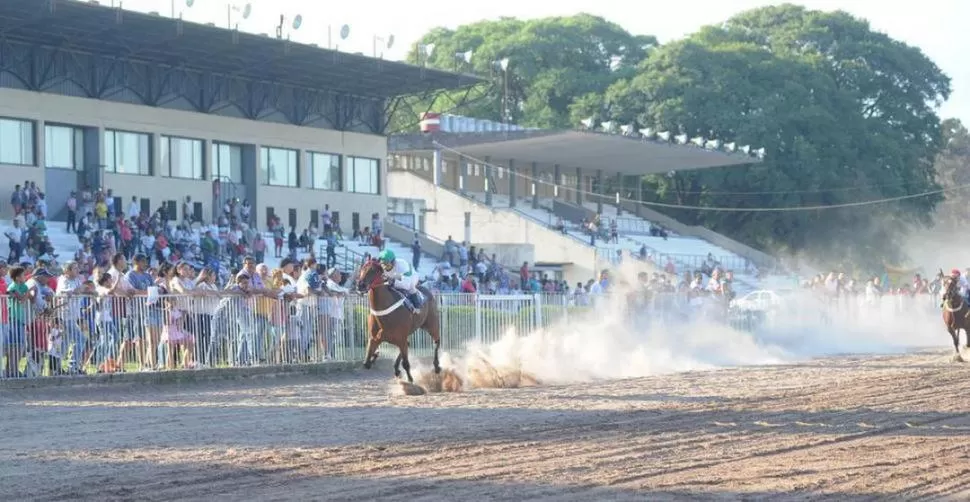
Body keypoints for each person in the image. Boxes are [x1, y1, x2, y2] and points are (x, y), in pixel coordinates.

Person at [377, 249, 423, 314]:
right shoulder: (382, 265)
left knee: (411, 287)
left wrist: (393, 281)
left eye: (387, 264)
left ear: (393, 262)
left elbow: (407, 284)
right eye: (383, 264)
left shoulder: (402, 265)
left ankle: (417, 306)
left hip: (410, 276)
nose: (384, 267)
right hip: (395, 276)